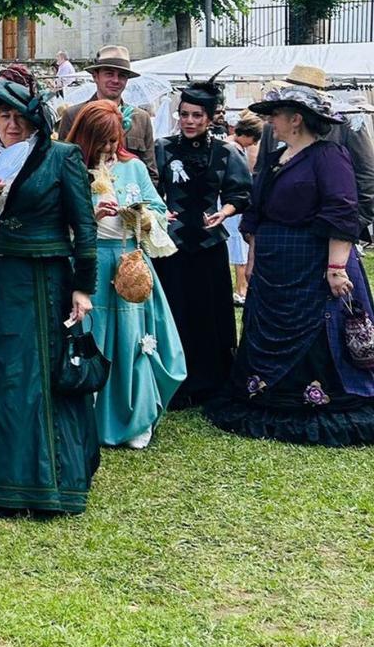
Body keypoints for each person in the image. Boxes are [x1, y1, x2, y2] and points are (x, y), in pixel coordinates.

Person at [0, 71, 100, 516]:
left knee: (34, 378)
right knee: (0, 375)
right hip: (0, 278)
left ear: (34, 121)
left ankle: (43, 482)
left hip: (44, 280)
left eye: (19, 117)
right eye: (2, 116)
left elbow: (86, 226)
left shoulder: (61, 157)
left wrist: (83, 288)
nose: (10, 125)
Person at [207, 84, 374, 445]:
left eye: (276, 115)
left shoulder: (329, 156)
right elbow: (257, 210)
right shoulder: (277, 155)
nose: (270, 122)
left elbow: (342, 210)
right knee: (267, 331)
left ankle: (316, 397)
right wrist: (252, 257)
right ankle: (264, 391)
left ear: (295, 119)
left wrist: (336, 267)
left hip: (312, 263)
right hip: (273, 265)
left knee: (317, 330)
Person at [67, 100, 186, 449]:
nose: (107, 149)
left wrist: (146, 218)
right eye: (100, 141)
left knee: (134, 339)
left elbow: (160, 208)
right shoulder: (70, 167)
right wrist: (91, 217)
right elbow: (55, 218)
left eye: (112, 140)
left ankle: (136, 417)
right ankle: (85, 415)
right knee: (92, 339)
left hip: (129, 263)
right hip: (88, 264)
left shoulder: (133, 168)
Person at [153, 78, 252, 407]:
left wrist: (224, 211)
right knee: (176, 312)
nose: (190, 121)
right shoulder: (163, 147)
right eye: (184, 114)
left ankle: (211, 381)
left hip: (210, 245)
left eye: (197, 115)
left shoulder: (227, 151)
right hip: (173, 246)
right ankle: (178, 382)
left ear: (211, 118)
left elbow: (241, 192)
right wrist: (158, 208)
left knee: (211, 313)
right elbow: (150, 188)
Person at [253, 64, 374, 239]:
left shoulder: (346, 124)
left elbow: (367, 176)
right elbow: (261, 172)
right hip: (277, 230)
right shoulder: (271, 127)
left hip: (327, 229)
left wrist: (353, 224)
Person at [57, 45, 156, 177]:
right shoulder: (73, 115)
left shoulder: (140, 118)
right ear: (95, 76)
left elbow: (151, 172)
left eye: (122, 76)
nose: (115, 80)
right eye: (109, 74)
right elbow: (63, 166)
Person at [226, 112, 264, 305]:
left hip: (231, 201)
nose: (253, 144)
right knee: (237, 244)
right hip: (232, 202)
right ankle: (241, 287)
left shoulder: (231, 145)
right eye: (254, 140)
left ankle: (241, 286)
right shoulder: (233, 148)